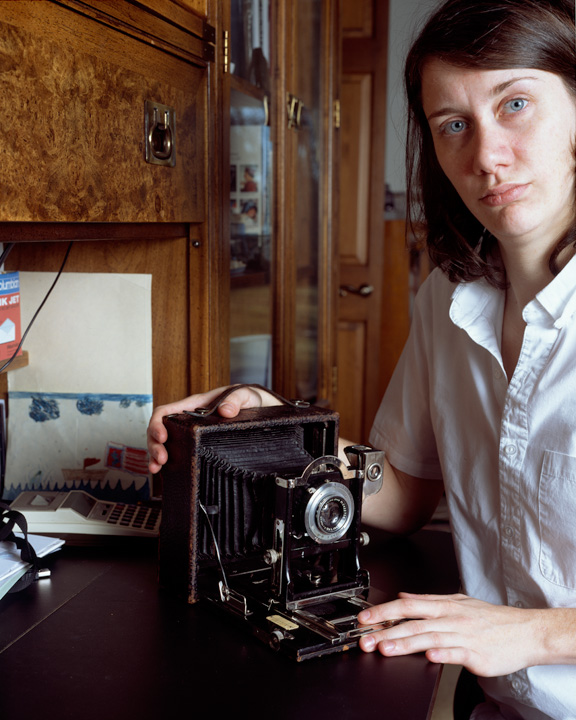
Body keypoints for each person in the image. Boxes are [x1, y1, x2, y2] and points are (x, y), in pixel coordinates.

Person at [147, 1, 576, 717]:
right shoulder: (447, 299)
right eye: (454, 125)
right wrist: (268, 429)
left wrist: (533, 633)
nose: (486, 156)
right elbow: (404, 489)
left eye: (517, 103)